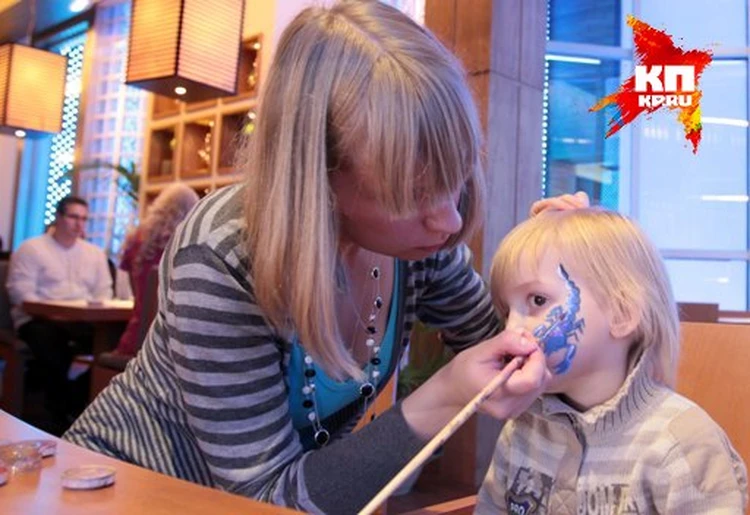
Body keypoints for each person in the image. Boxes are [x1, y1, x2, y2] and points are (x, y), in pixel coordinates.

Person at [63, 2, 577, 512]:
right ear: (322, 174)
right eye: (413, 192)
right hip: (121, 490)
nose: (447, 221)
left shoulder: (421, 246)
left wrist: (557, 269)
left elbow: (504, 346)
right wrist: (442, 395)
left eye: (455, 178)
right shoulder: (221, 255)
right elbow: (266, 498)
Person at [476, 208, 748, 514]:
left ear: (621, 314)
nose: (511, 330)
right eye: (506, 310)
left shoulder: (683, 442)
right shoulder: (523, 427)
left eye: (538, 301)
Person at [6, 195, 112, 431]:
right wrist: (54, 313)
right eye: (74, 217)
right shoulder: (31, 248)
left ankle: (80, 404)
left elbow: (104, 293)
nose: (79, 224)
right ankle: (56, 414)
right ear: (59, 217)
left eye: (84, 219)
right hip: (37, 320)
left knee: (109, 346)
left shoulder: (94, 253)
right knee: (52, 342)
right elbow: (20, 294)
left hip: (81, 320)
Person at [114, 184, 199, 356]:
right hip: (167, 348)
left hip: (134, 337)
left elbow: (137, 296)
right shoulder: (186, 242)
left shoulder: (136, 238)